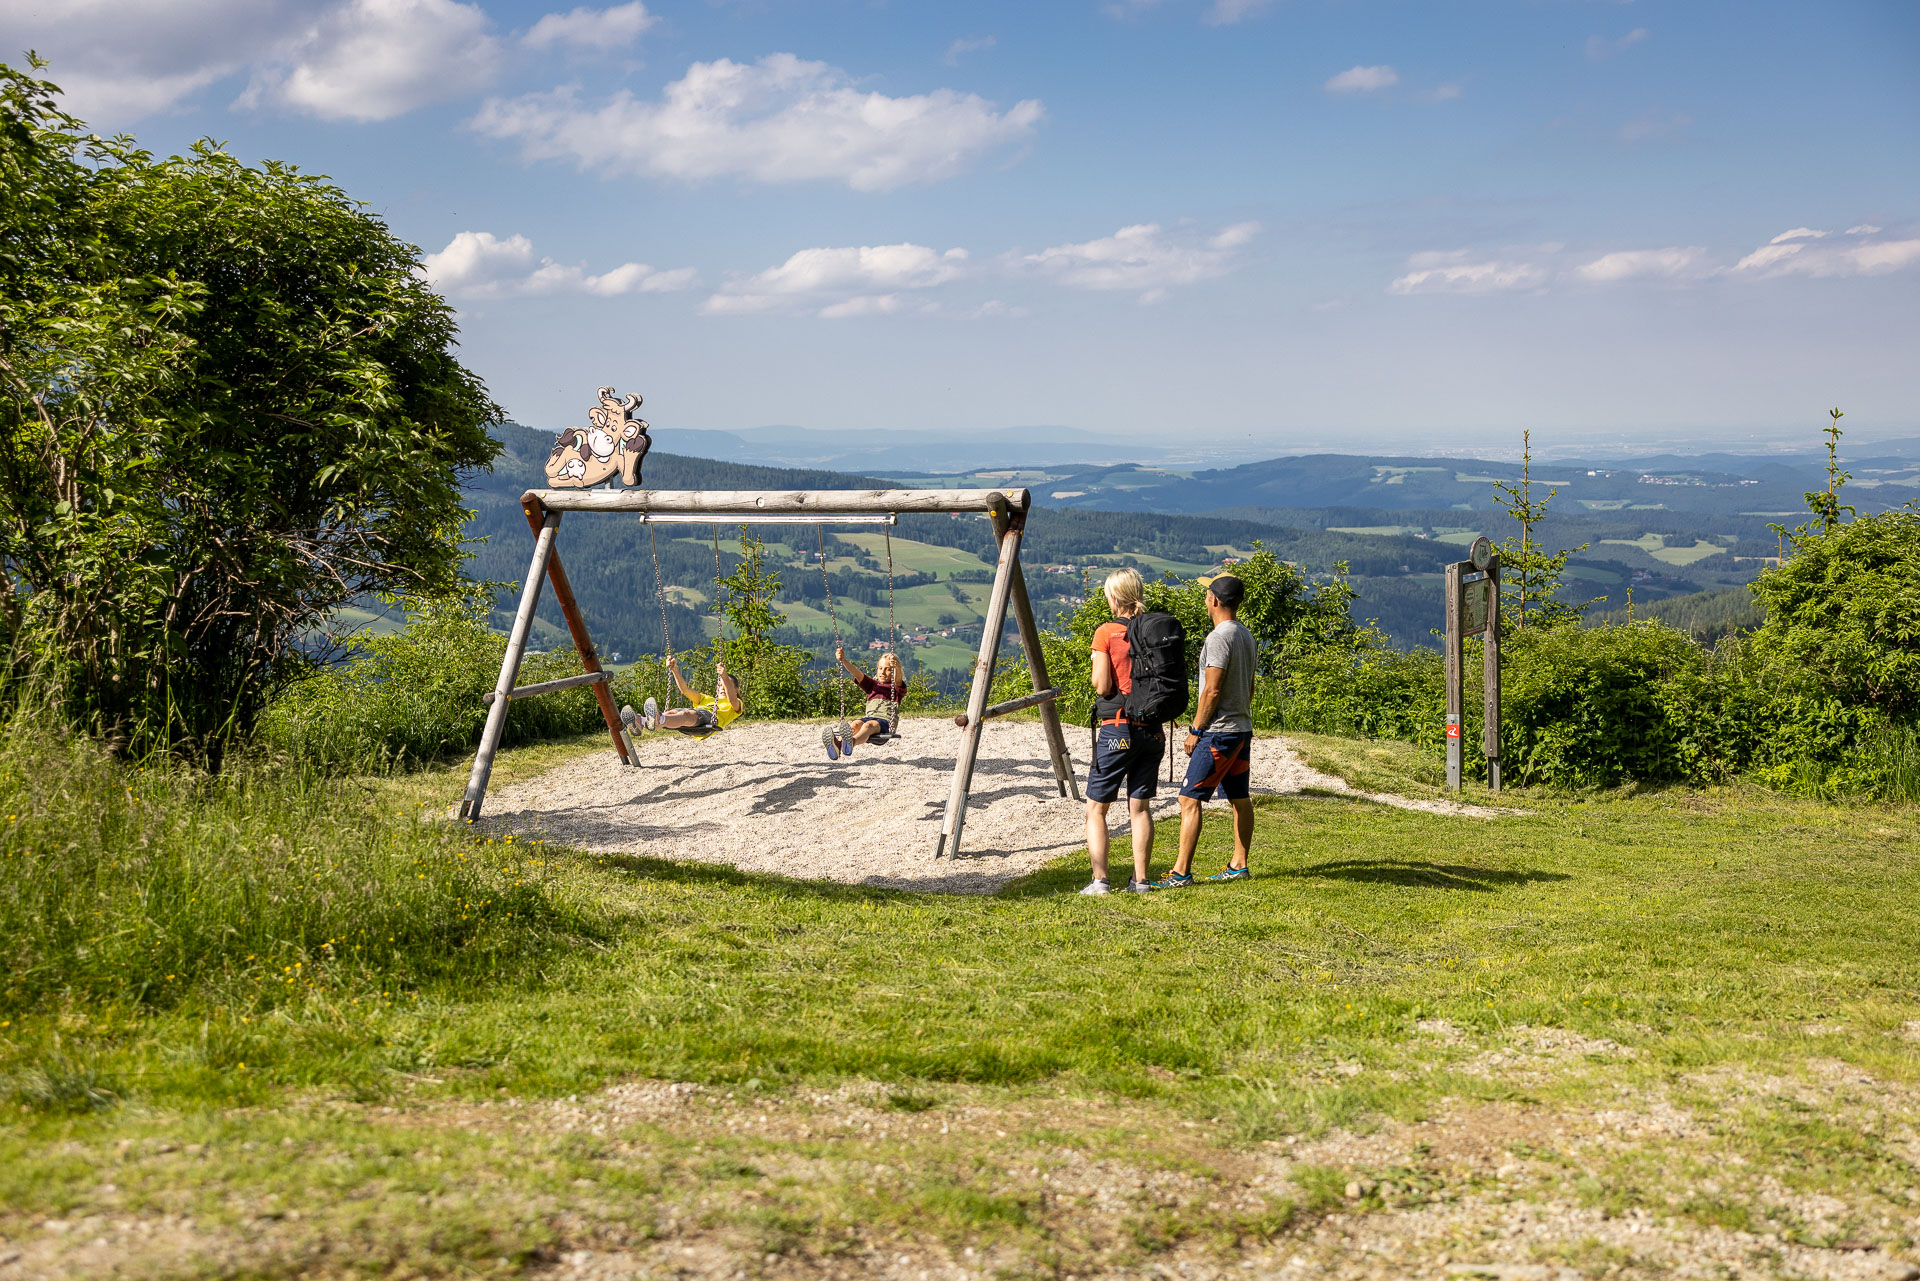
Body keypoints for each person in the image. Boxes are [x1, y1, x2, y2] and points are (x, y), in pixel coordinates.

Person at [1154, 572, 1256, 888]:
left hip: (1219, 733)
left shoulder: (1218, 638)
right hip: (1240, 728)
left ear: (1213, 599)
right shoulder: (1246, 635)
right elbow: (1249, 686)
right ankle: (1239, 864)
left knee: (1188, 798)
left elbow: (1211, 690)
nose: (1205, 598)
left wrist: (1196, 730)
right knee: (1239, 797)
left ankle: (1181, 873)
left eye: (1206, 593)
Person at [1081, 568, 1163, 895]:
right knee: (1140, 807)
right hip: (1153, 731)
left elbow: (1102, 685)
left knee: (1096, 808)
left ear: (1114, 598)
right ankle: (1140, 881)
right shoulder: (1156, 631)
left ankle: (1100, 881)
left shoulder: (1106, 632)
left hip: (1118, 728)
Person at [621, 655, 742, 739]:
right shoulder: (707, 698)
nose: (722, 688)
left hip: (709, 719)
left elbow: (732, 699)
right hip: (696, 714)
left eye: (726, 686)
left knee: (685, 715)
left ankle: (658, 720)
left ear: (735, 690)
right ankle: (641, 722)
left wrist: (725, 677)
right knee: (672, 712)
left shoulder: (736, 705)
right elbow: (685, 690)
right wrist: (674, 669)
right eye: (720, 685)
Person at [823, 647, 906, 760]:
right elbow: (857, 674)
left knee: (868, 725)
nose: (882, 672)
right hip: (869, 717)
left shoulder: (896, 689)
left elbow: (898, 680)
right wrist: (843, 660)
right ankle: (838, 744)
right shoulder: (873, 686)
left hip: (885, 723)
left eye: (888, 669)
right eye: (880, 668)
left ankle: (852, 742)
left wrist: (896, 667)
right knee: (855, 724)